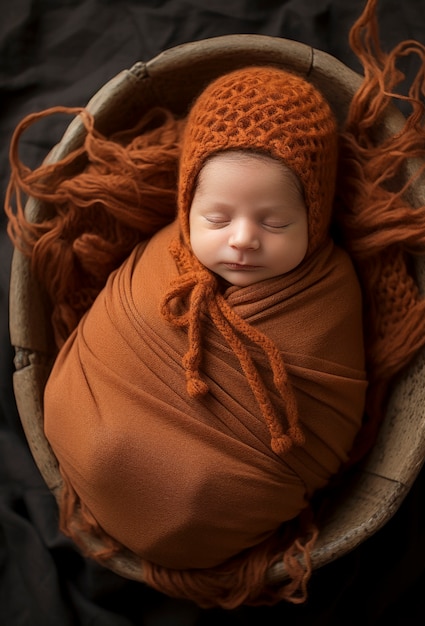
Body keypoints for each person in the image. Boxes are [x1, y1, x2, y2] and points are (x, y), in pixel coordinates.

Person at [38, 66, 368, 609]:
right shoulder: (165, 254)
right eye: (216, 217)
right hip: (86, 433)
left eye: (276, 223)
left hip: (221, 505)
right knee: (98, 439)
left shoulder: (330, 292)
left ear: (316, 216)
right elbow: (111, 325)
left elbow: (334, 415)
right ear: (185, 206)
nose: (242, 239)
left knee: (210, 495)